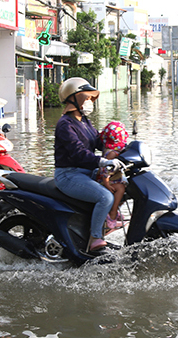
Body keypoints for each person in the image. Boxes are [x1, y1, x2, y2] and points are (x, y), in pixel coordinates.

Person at [53, 77, 124, 252]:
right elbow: (78, 152)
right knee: (105, 197)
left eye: (91, 99)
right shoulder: (65, 124)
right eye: (87, 98)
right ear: (74, 98)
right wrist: (103, 161)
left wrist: (120, 146)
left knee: (121, 184)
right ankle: (95, 239)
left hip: (87, 172)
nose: (90, 102)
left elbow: (98, 141)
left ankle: (107, 220)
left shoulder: (84, 122)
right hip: (69, 175)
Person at [96, 121, 129, 230]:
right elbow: (106, 169)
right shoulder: (112, 153)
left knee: (127, 186)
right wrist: (106, 183)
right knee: (120, 188)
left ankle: (115, 208)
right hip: (106, 181)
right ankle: (112, 213)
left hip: (113, 179)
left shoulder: (111, 150)